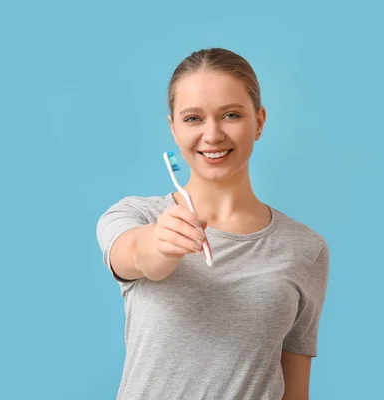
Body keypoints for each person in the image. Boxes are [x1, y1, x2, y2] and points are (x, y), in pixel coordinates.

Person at [96, 47, 330, 400]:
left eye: (231, 115)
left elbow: (296, 389)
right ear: (173, 128)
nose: (213, 134)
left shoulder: (305, 249)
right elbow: (136, 255)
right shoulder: (135, 217)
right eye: (193, 118)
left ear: (260, 121)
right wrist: (159, 244)